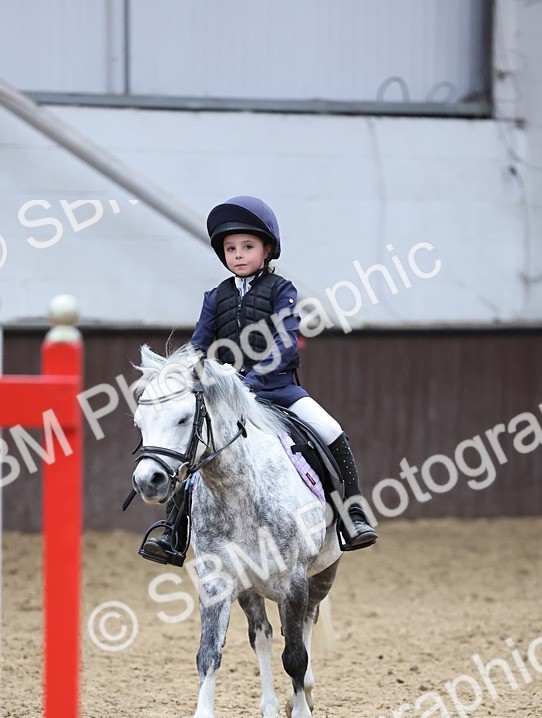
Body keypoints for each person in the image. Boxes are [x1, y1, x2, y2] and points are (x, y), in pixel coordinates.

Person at [139, 195, 377, 566]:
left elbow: (283, 342)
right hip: (226, 398)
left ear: (267, 250)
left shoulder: (283, 290)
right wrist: (184, 374)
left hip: (277, 390)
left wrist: (251, 379)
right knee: (190, 445)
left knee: (331, 430)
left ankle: (352, 515)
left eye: (247, 247)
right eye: (231, 248)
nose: (238, 254)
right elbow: (199, 344)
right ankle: (173, 532)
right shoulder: (215, 296)